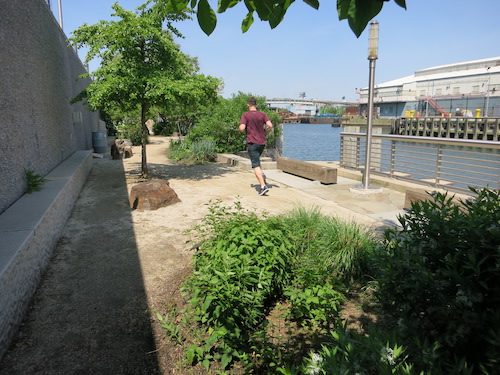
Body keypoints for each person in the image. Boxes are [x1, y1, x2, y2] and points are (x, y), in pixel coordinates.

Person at [239, 96, 273, 196]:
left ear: (248, 105)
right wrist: (264, 131)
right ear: (256, 105)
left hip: (252, 142)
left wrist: (241, 128)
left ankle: (263, 186)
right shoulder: (262, 114)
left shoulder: (246, 115)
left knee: (255, 165)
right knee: (257, 160)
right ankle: (262, 175)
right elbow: (270, 125)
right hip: (262, 143)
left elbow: (242, 128)